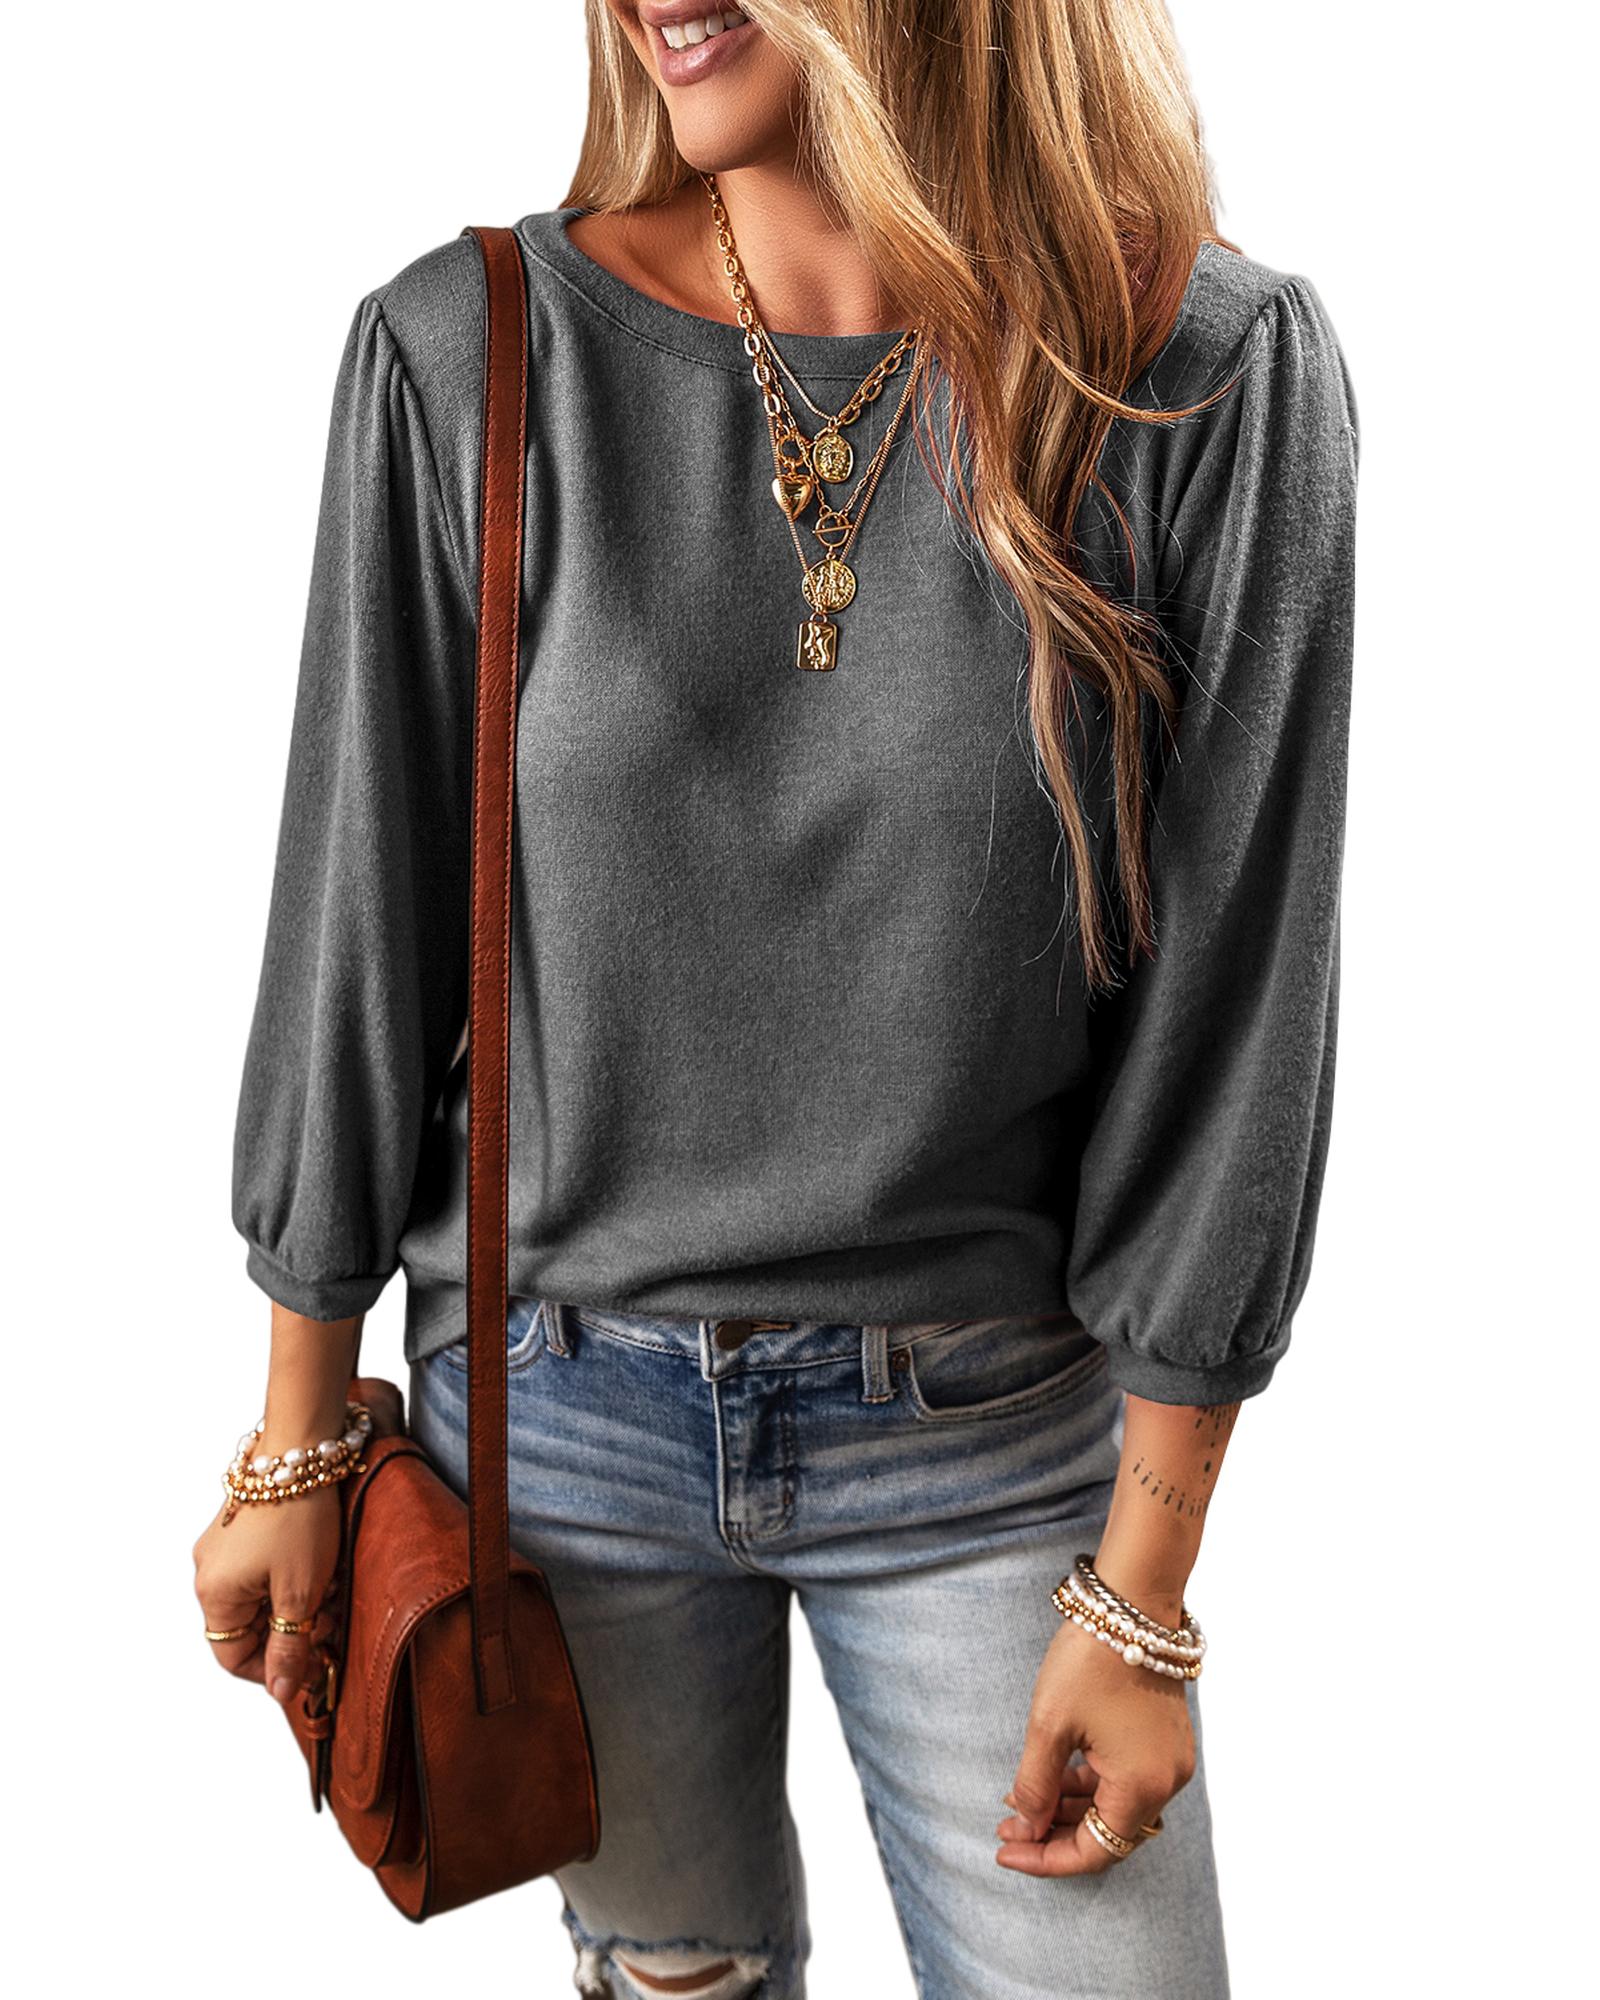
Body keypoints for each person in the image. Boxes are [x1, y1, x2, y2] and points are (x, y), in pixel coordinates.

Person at [192, 2, 1359, 1995]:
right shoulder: (467, 353)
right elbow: (353, 924)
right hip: (558, 1433)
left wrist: (1144, 1588)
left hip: (990, 1438)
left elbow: (1239, 1016)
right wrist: (296, 1434)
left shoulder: (1202, 378)